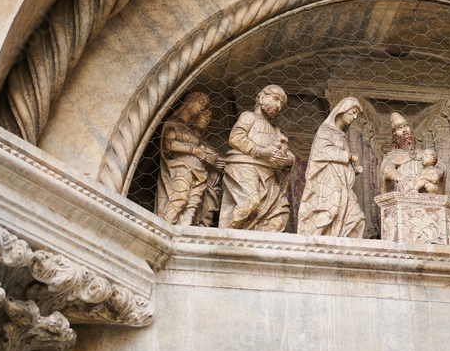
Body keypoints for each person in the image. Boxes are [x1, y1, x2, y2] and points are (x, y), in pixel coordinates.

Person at [218, 85, 296, 231]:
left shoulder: (276, 130)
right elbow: (235, 137)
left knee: (281, 211)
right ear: (261, 97)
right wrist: (260, 151)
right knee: (250, 202)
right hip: (245, 167)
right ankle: (229, 236)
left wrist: (287, 158)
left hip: (268, 175)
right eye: (276, 99)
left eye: (281, 104)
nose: (278, 106)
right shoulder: (249, 116)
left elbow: (286, 155)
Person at [296, 97, 367, 238]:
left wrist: (353, 168)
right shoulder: (326, 130)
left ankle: (346, 246)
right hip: (329, 182)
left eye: (356, 115)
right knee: (330, 209)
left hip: (344, 186)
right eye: (352, 112)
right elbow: (321, 151)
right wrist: (347, 156)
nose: (354, 117)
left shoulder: (342, 134)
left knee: (357, 217)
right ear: (341, 111)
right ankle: (313, 241)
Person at [157, 91, 225, 225]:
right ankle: (165, 226)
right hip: (182, 169)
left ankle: (185, 230)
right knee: (180, 199)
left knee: (192, 207)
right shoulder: (174, 123)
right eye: (200, 103)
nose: (201, 108)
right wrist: (195, 150)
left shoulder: (191, 132)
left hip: (199, 173)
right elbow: (169, 143)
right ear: (189, 101)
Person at [379, 112, 422, 194]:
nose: (404, 131)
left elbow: (439, 167)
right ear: (395, 137)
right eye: (399, 129)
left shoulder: (424, 153)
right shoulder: (392, 156)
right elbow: (386, 169)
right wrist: (399, 177)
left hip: (423, 192)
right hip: (403, 191)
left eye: (406, 127)